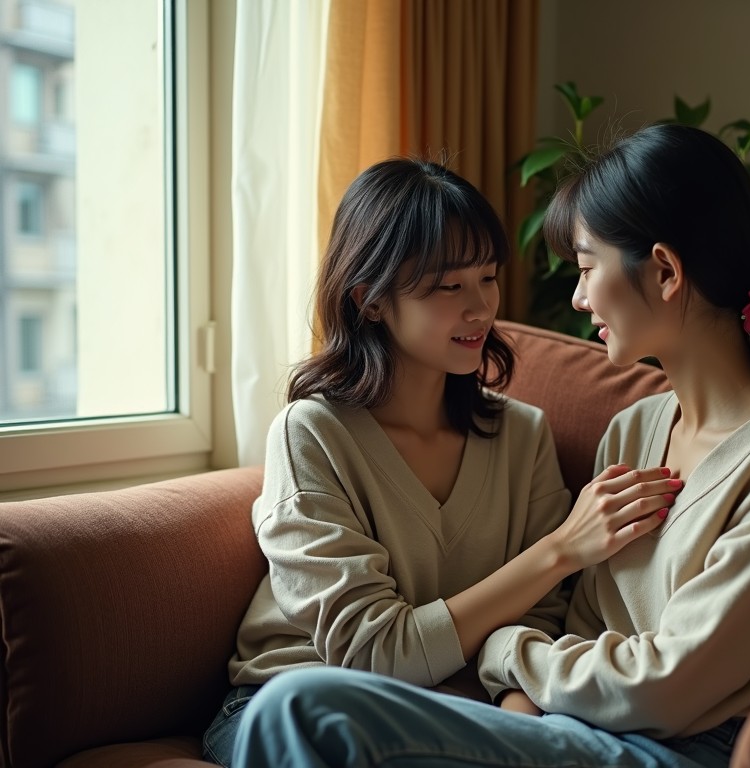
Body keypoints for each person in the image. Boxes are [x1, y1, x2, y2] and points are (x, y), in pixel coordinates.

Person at [229, 125, 750, 768]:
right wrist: (518, 712)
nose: (573, 297)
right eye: (448, 286)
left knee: (304, 710)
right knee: (297, 703)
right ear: (370, 301)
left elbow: (671, 683)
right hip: (576, 728)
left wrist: (503, 654)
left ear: (663, 271)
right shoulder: (636, 430)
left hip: (685, 745)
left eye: (587, 267)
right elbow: (577, 627)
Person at [200, 157, 678, 766]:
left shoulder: (522, 434)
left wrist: (521, 734)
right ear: (369, 301)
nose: (480, 308)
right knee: (312, 705)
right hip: (292, 706)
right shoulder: (312, 434)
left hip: (451, 712)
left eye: (487, 278)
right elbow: (372, 653)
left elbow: (538, 625)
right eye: (449, 286)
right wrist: (560, 548)